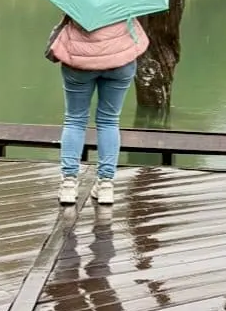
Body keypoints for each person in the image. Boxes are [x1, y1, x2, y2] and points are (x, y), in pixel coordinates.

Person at [49, 15, 150, 207]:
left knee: (74, 120)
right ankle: (106, 185)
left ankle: (69, 184)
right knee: (109, 121)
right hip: (120, 59)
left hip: (79, 60)